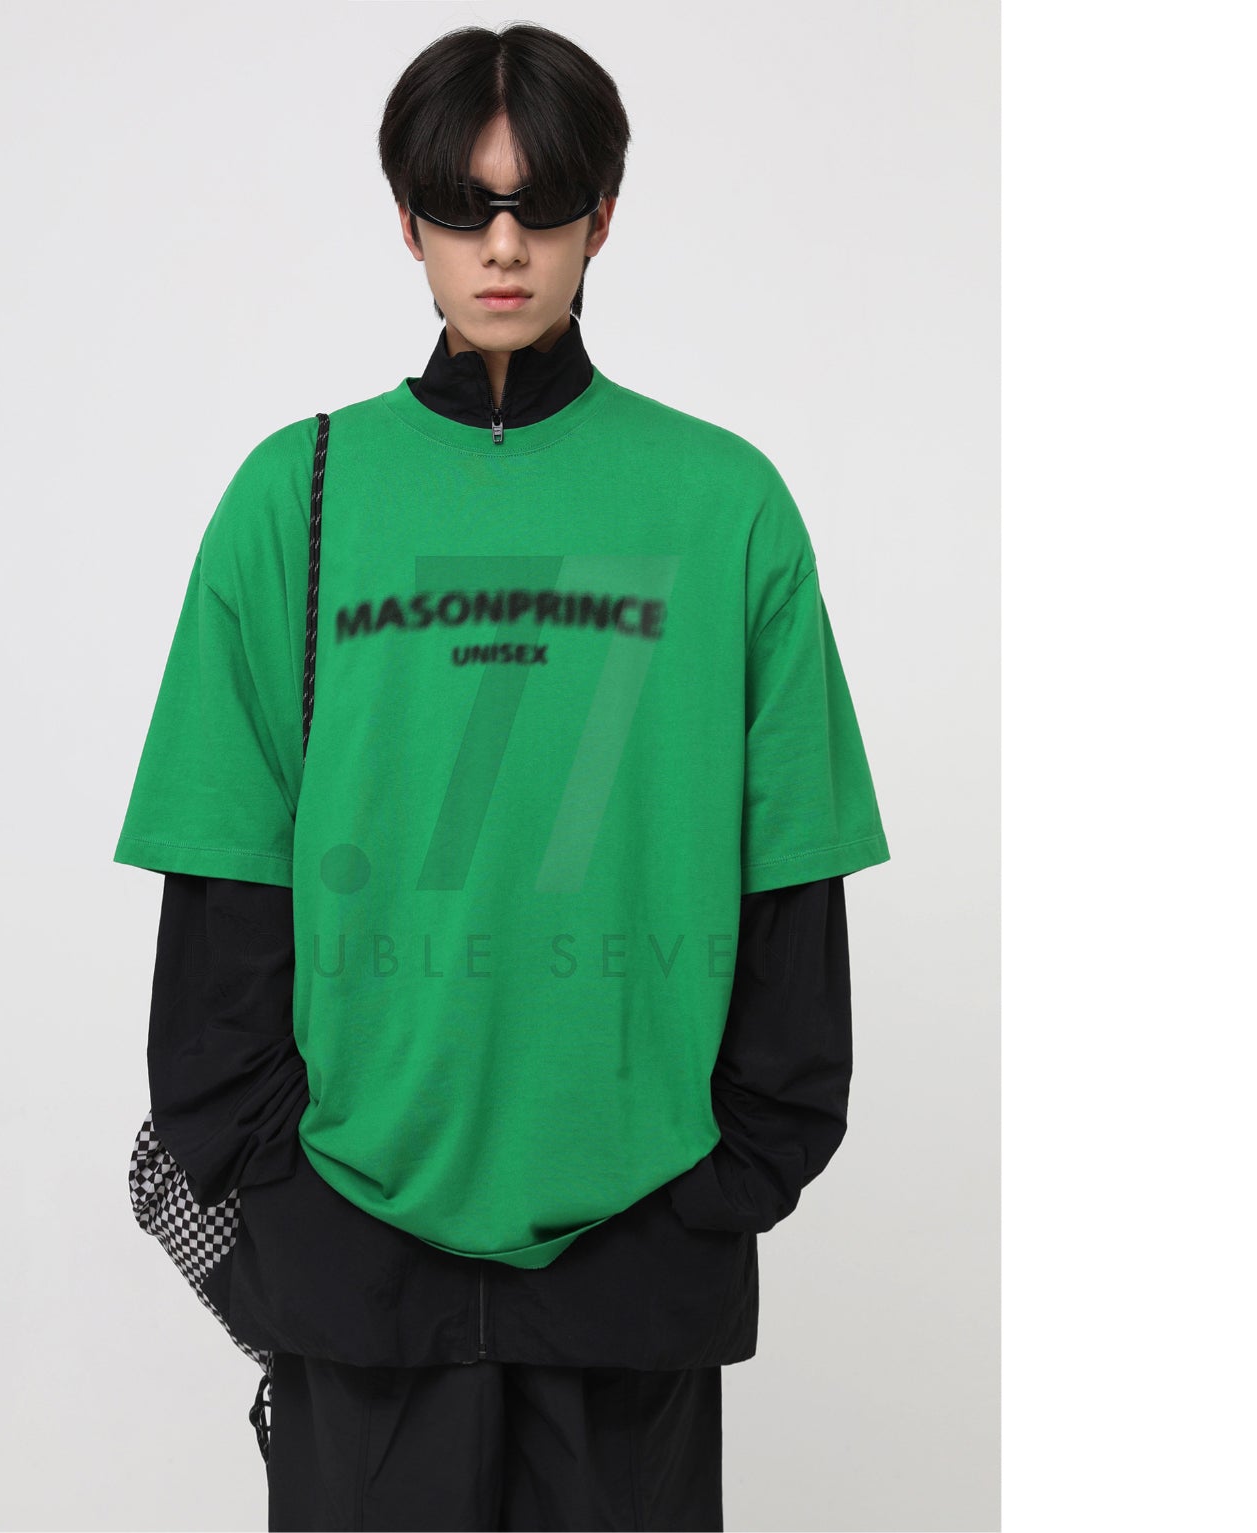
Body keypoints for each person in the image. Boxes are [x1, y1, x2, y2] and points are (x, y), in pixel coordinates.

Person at [114, 22, 890, 1532]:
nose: (505, 246)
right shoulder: (294, 498)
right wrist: (283, 1196)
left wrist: (718, 1188)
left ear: (605, 215)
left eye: (541, 205)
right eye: (464, 206)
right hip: (354, 1274)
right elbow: (221, 890)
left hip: (637, 1272)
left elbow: (792, 880)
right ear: (406, 221)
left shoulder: (726, 505)